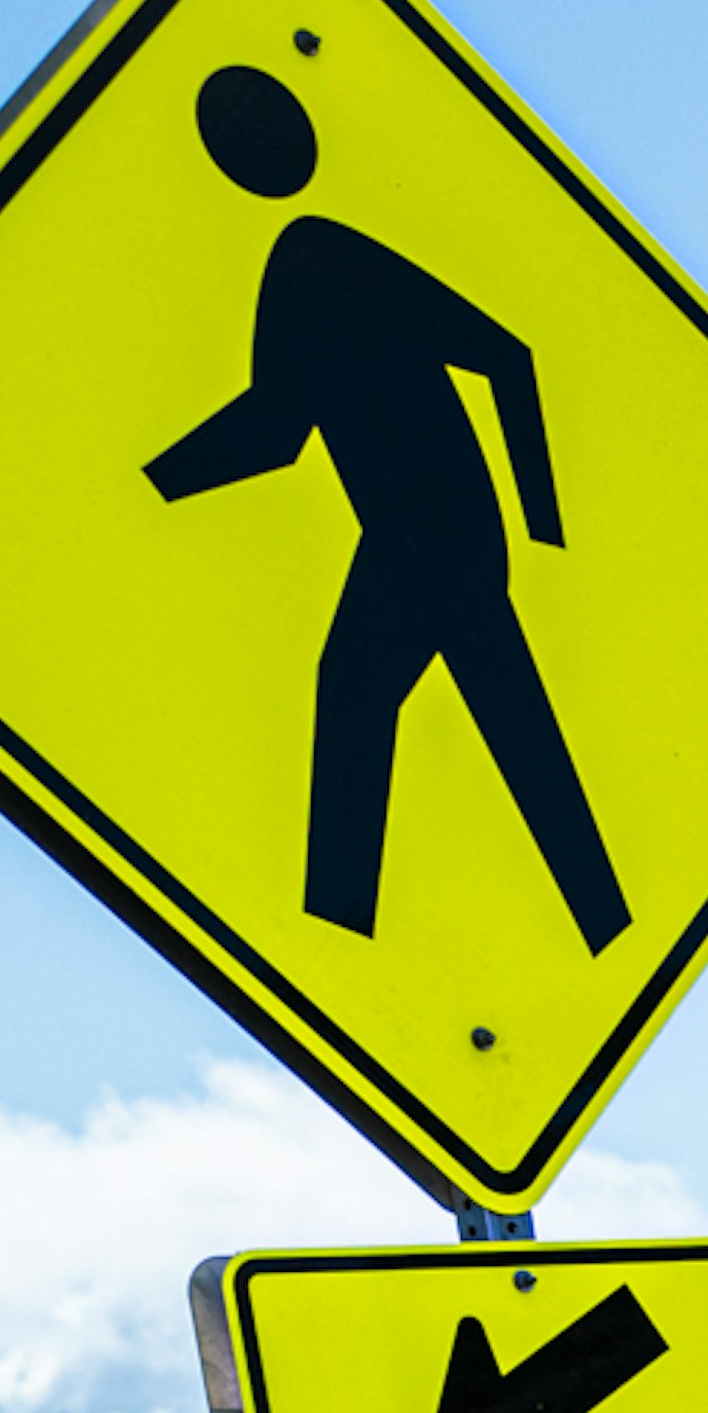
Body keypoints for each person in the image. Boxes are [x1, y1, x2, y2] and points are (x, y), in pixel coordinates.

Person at [147, 61, 628, 952]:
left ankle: (338, 932)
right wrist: (153, 484)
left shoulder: (324, 256)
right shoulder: (294, 267)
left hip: (443, 534)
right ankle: (594, 922)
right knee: (493, 724)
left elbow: (508, 356)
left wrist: (544, 523)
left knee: (381, 698)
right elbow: (278, 428)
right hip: (413, 539)